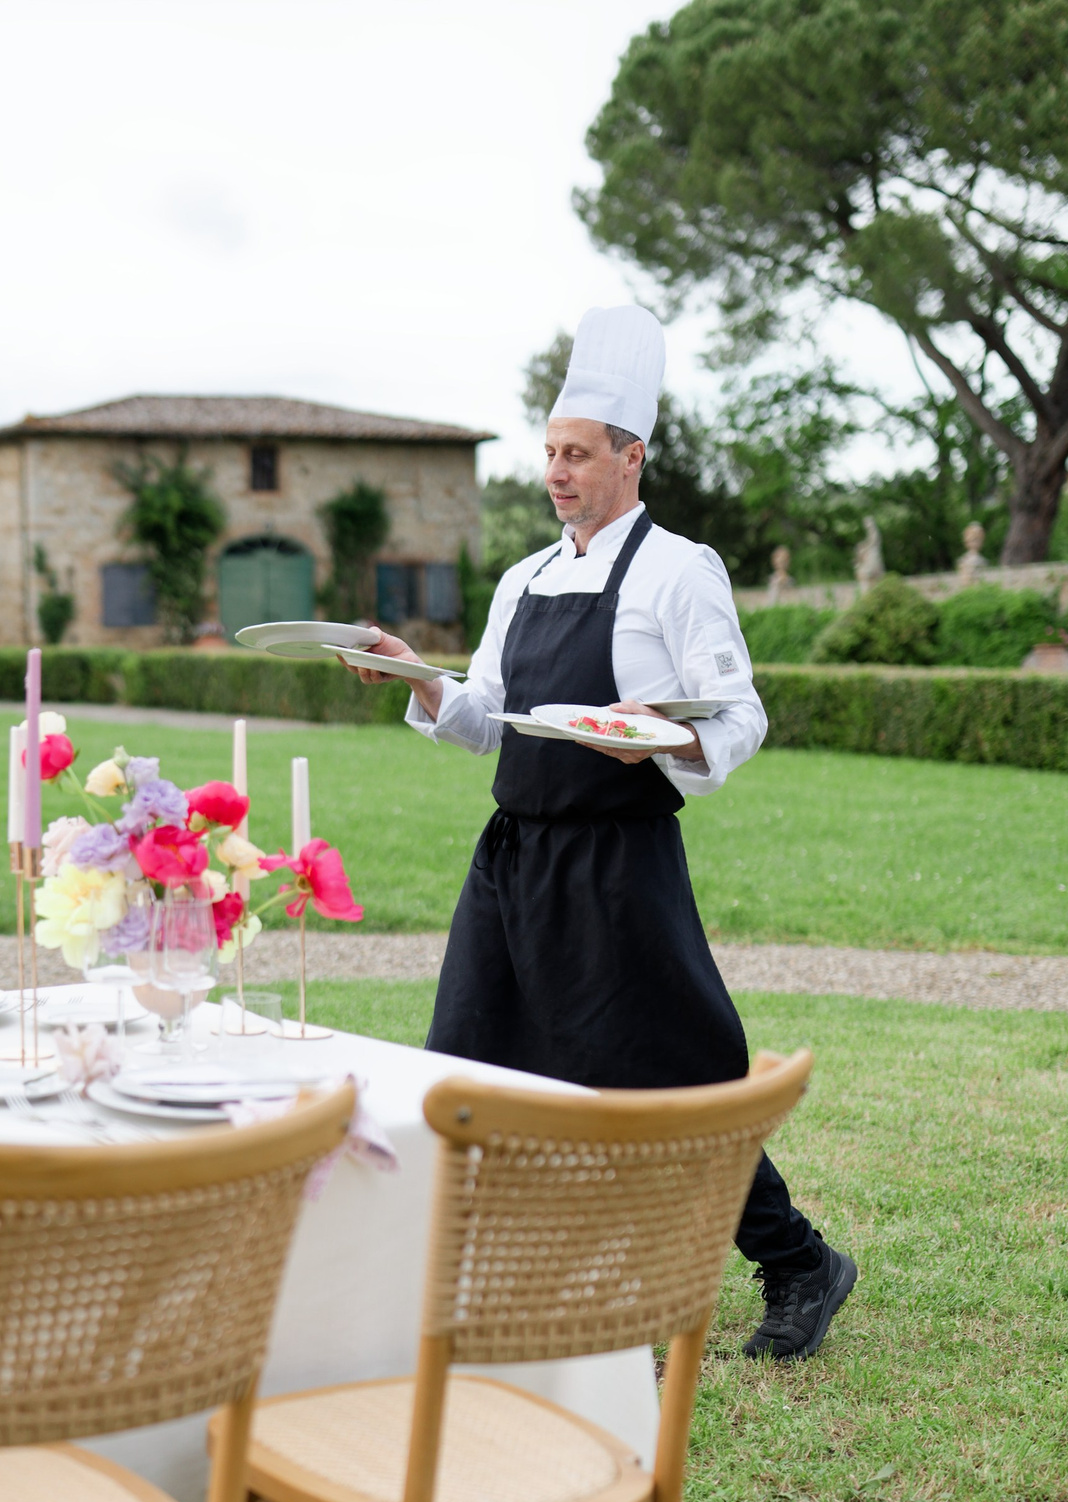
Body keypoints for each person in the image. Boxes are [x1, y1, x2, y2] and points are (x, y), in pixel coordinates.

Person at [349, 304, 855, 1360]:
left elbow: (740, 715)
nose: (557, 472)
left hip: (618, 863)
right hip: (515, 856)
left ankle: (799, 1262)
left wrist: (657, 745)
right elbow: (488, 716)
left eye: (577, 454)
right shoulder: (522, 580)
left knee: (664, 1078)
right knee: (469, 1065)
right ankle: (468, 1282)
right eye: (549, 453)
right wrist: (417, 678)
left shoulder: (681, 570)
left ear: (631, 458)